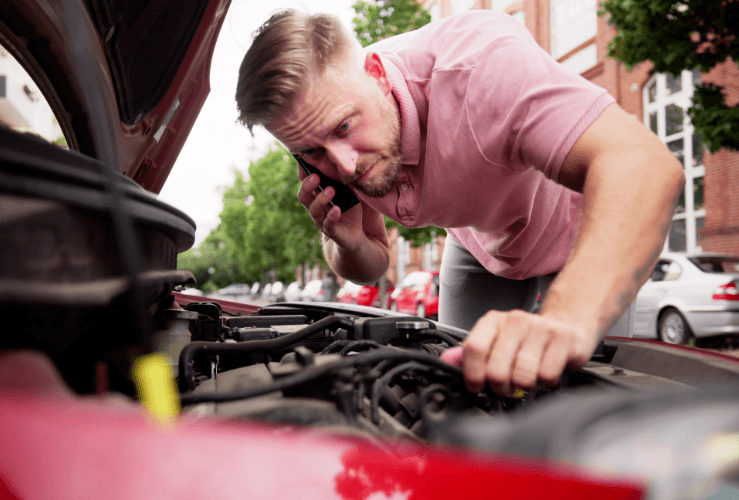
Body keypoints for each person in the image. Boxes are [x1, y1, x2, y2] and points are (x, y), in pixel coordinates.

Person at [235, 10, 684, 395]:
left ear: (375, 73)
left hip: (575, 234)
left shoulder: (483, 67)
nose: (344, 165)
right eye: (312, 151)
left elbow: (645, 167)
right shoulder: (322, 135)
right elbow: (372, 264)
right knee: (461, 388)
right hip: (476, 245)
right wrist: (346, 241)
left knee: (590, 398)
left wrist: (566, 319)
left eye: (345, 128)